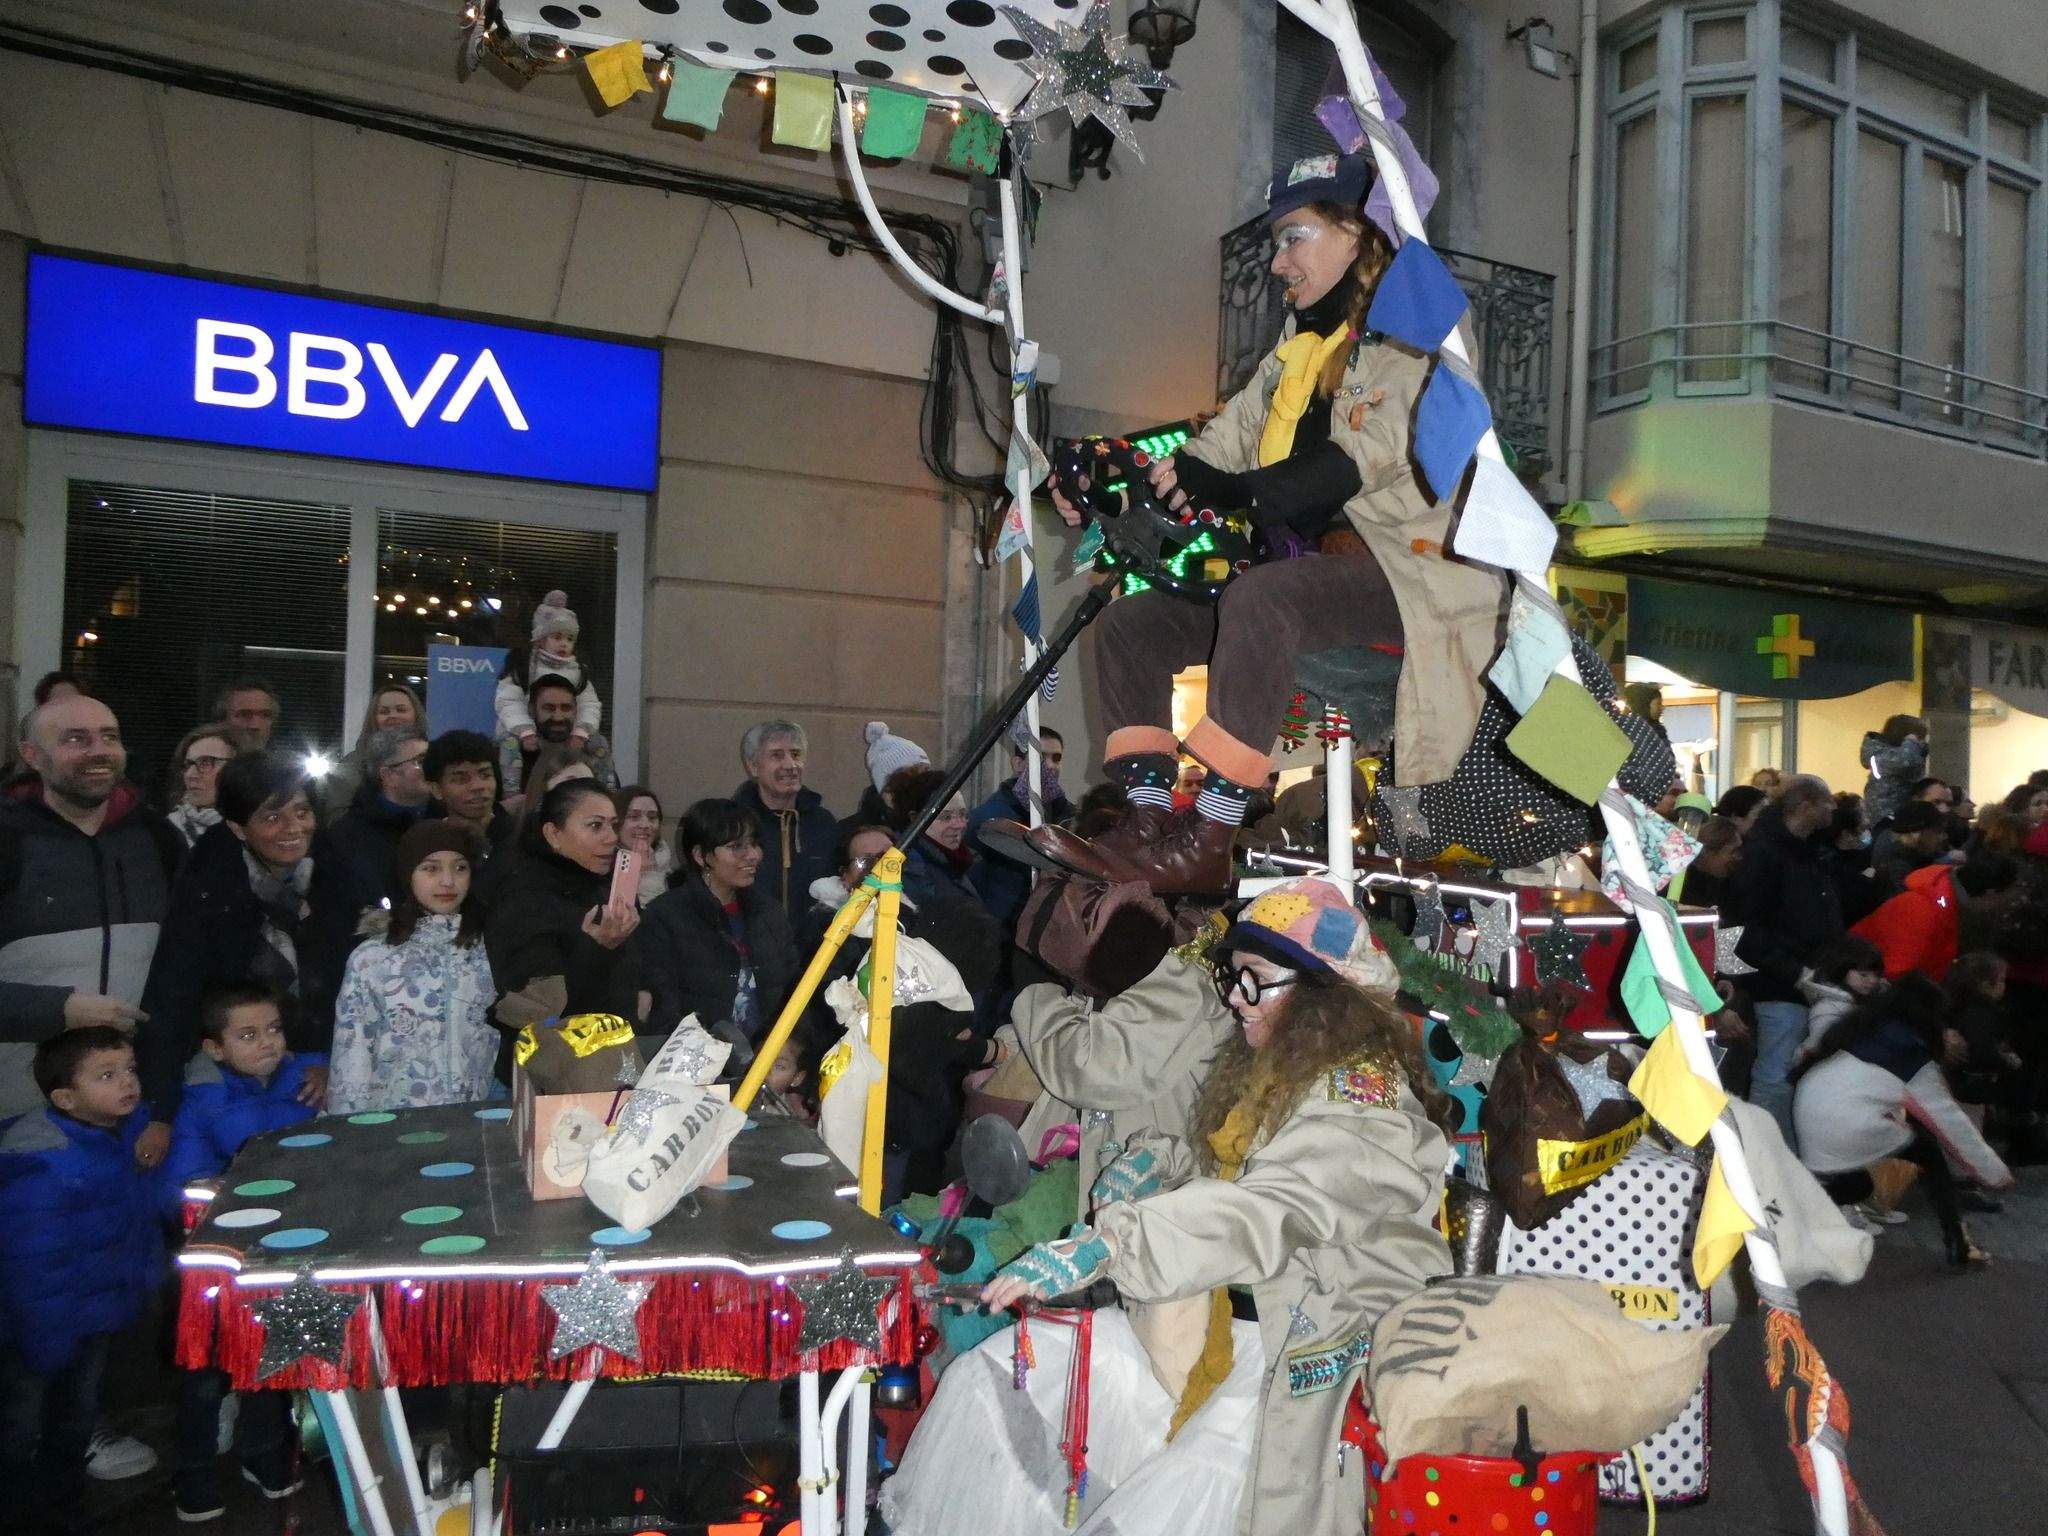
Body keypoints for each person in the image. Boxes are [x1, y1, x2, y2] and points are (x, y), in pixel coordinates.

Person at [887, 879, 1455, 1536]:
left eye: (1256, 983)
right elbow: (1236, 1177)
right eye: (1233, 980)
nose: (1236, 1002)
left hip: (1313, 1350)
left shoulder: (1364, 1107)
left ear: (1321, 996)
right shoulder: (1283, 1070)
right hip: (1229, 1325)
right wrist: (1158, 1159)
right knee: (1005, 1377)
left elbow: (1268, 1211)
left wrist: (1115, 1242)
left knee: (1179, 1496)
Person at [1014, 155, 1503, 897]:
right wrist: (1094, 483)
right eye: (1277, 244)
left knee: (1264, 596)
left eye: (1295, 237)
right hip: (1304, 580)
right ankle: (1148, 823)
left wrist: (1236, 490)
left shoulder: (1414, 335)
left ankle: (1211, 832)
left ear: (1357, 234)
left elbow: (1364, 456)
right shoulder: (1290, 359)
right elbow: (1203, 456)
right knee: (1129, 627)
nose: (1278, 263)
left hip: (1413, 575)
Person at [0, 1028, 164, 1532]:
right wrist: (47, 1343)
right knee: (20, 1429)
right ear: (65, 1097)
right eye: (107, 1075)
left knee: (73, 1422)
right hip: (37, 1331)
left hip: (90, 1316)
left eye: (130, 1069)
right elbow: (34, 1270)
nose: (128, 1082)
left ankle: (62, 1508)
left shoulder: (124, 1132)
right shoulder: (43, 1167)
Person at [158, 988, 312, 1519]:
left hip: (278, 1243)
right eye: (248, 1035)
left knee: (270, 1351)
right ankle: (193, 1471)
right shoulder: (203, 1097)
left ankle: (262, 1451)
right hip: (215, 1251)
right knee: (206, 1370)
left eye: (273, 1029)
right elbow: (202, 1169)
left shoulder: (299, 1074)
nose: (267, 1042)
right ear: (215, 1048)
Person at [0, 696, 182, 1128]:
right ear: (32, 756)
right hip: (17, 1112)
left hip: (134, 1109)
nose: (98, 751)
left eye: (109, 737)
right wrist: (57, 1009)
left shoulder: (158, 838)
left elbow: (186, 964)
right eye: (76, 739)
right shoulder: (8, 840)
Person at [138, 753, 350, 1124]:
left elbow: (349, 989)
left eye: (302, 812)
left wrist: (332, 1059)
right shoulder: (208, 890)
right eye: (272, 817)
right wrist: (160, 1111)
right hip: (228, 1078)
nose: (293, 828)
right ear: (239, 828)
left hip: (318, 1072)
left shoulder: (335, 878)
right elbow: (173, 998)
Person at [1792, 971, 2009, 1268]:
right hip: (1846, 1125)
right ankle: (1959, 1245)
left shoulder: (1861, 1028)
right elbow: (1952, 1125)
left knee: (1855, 1186)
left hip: (1812, 1119)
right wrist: (1994, 1174)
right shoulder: (1911, 1057)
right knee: (1931, 1154)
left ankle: (1797, 1208)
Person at [328, 823, 497, 1114]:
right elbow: (352, 1054)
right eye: (431, 869)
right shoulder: (373, 958)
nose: (447, 881)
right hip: (394, 1122)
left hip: (472, 1117)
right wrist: (350, 1132)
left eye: (460, 868)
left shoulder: (487, 949)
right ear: (408, 875)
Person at [1727, 774, 1844, 1145]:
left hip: (1802, 976)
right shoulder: (1769, 853)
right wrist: (1794, 971)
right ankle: (1767, 1158)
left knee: (1786, 1070)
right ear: (1805, 805)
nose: (1834, 808)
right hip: (1778, 982)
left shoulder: (1799, 851)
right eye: (1827, 802)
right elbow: (1749, 924)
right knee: (1776, 1073)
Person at [484, 780, 641, 1037]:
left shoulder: (605, 889)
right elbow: (540, 1006)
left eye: (613, 825)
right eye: (595, 826)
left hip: (614, 1049)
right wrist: (599, 948)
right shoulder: (524, 900)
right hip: (554, 1062)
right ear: (553, 834)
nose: (611, 838)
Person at [640, 799, 795, 1050]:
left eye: (754, 844)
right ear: (701, 856)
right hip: (695, 1065)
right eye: (737, 847)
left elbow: (793, 991)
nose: (753, 855)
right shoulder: (665, 916)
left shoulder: (770, 913)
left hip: (769, 1061)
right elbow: (663, 1009)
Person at [1853, 851, 2022, 986]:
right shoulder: (1924, 910)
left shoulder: (1949, 899)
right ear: (1991, 893)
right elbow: (1895, 975)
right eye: (2010, 896)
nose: (2013, 902)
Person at [966, 725, 1075, 935]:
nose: (1051, 765)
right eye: (1041, 757)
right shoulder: (990, 818)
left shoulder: (1065, 815)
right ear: (1018, 763)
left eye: (1057, 758)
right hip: (1004, 929)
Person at [734, 721, 838, 920]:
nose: (790, 765)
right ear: (753, 766)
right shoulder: (734, 826)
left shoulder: (823, 825)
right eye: (776, 755)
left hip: (816, 949)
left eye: (796, 755)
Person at [326, 727, 431, 916]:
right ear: (388, 775)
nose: (433, 768)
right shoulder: (348, 837)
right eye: (421, 761)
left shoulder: (443, 822)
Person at [493, 590, 603, 753]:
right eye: (557, 638)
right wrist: (524, 731)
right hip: (524, 735)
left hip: (564, 734)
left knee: (599, 744)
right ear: (540, 640)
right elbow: (509, 702)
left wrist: (582, 731)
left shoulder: (578, 672)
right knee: (509, 745)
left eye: (570, 639)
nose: (564, 644)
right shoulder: (524, 667)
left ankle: (600, 779)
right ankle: (510, 780)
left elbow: (590, 705)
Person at [498, 675, 617, 801]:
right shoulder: (514, 748)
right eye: (549, 708)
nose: (558, 717)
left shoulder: (592, 745)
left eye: (566, 708)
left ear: (576, 710)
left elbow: (609, 799)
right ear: (532, 710)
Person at [422, 730, 515, 890]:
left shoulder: (520, 836)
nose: (478, 786)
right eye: (461, 779)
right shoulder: (426, 844)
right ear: (436, 789)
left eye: (485, 775)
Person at [322, 684, 426, 810]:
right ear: (373, 719)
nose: (392, 716)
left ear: (416, 715)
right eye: (384, 712)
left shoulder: (432, 758)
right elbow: (336, 815)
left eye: (401, 710)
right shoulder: (352, 764)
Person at [164, 723, 235, 850]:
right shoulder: (164, 832)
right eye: (187, 765)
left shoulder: (258, 832)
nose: (190, 774)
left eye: (206, 763)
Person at [1859, 715, 1928, 828]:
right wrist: (1911, 742)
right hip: (1885, 813)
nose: (1922, 742)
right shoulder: (1880, 755)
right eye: (1920, 738)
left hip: (1898, 809)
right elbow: (1903, 762)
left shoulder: (1904, 753)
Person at [1871, 800, 1952, 895]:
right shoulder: (1897, 867)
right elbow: (1909, 903)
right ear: (1915, 832)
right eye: (1937, 831)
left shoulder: (1907, 846)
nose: (1943, 836)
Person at [614, 786, 675, 906]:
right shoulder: (603, 866)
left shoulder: (669, 871)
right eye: (634, 817)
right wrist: (636, 871)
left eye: (652, 817)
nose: (645, 825)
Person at [212, 679, 281, 753]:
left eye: (265, 715)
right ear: (223, 721)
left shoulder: (284, 762)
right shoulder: (206, 759)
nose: (255, 726)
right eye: (244, 715)